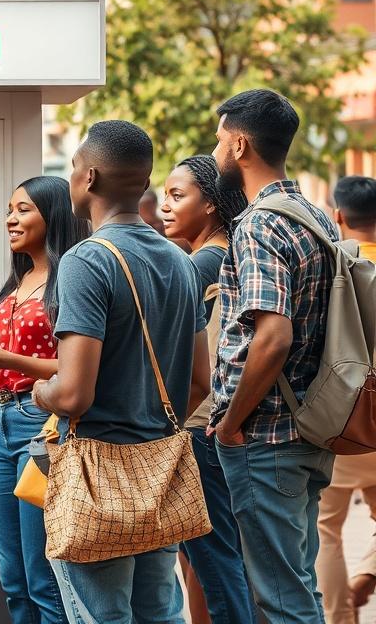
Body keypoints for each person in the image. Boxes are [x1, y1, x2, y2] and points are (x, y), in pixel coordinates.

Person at [33, 120, 210, 623]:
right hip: (161, 471)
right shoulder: (180, 261)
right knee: (160, 613)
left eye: (71, 169)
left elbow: (73, 396)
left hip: (97, 475)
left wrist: (40, 392)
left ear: (88, 178)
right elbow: (200, 381)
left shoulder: (86, 260)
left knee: (99, 615)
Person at [210, 89, 338, 624]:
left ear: (240, 145)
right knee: (297, 585)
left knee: (283, 601)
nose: (214, 152)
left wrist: (232, 425)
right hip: (310, 426)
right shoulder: (316, 217)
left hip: (265, 438)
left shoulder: (260, 224)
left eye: (218, 140)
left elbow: (273, 336)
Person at [0, 175, 88, 624]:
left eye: (24, 209)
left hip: (41, 424)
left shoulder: (70, 277)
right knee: (12, 579)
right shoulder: (17, 280)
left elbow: (77, 369)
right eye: (10, 209)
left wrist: (4, 356)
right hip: (0, 426)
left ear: (53, 215)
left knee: (43, 576)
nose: (11, 218)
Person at [160, 155, 255, 624]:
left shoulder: (202, 263)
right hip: (219, 422)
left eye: (178, 197)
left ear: (212, 205)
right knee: (212, 558)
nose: (164, 207)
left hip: (200, 423)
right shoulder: (226, 254)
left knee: (213, 559)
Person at [316, 176, 376, 624]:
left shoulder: (335, 267)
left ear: (338, 216)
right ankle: (369, 573)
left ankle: (339, 619)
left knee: (327, 530)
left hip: (347, 416)